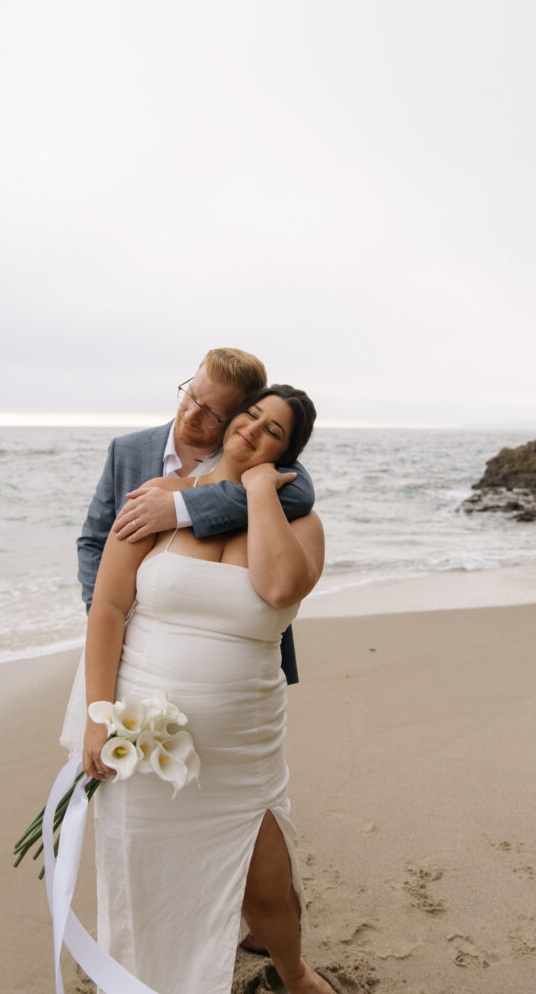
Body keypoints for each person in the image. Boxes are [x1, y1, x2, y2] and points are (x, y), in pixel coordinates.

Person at [65, 385, 335, 994]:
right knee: (143, 877)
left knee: (267, 881)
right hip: (141, 729)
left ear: (288, 453)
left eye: (273, 431)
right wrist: (96, 716)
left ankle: (292, 971)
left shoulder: (303, 523)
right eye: (250, 415)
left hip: (245, 742)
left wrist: (262, 491)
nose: (253, 431)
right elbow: (107, 607)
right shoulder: (157, 499)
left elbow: (277, 587)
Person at [75, 348, 315, 687]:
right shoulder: (127, 450)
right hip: (133, 648)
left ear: (235, 415)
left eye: (212, 413)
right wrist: (103, 617)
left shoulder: (255, 456)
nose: (190, 415)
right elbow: (93, 541)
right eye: (191, 396)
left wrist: (178, 507)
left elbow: (300, 494)